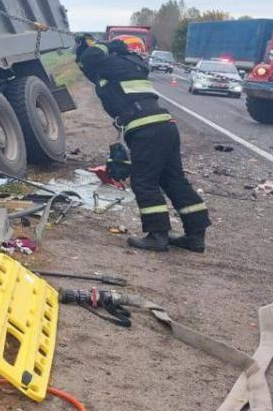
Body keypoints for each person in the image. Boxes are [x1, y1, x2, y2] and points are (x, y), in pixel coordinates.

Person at [75, 35, 210, 252]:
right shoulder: (130, 66)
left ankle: (157, 235)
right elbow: (90, 66)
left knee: (143, 181)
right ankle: (195, 235)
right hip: (163, 127)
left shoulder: (119, 63)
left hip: (146, 128)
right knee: (173, 180)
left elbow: (94, 59)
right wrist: (81, 50)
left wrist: (103, 45)